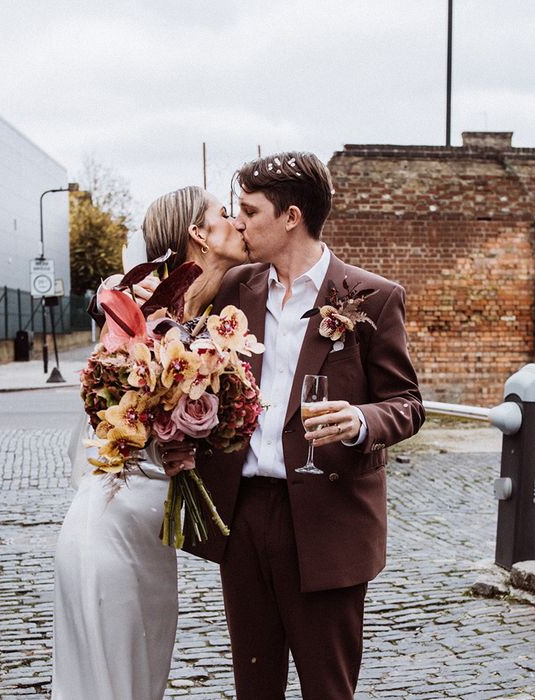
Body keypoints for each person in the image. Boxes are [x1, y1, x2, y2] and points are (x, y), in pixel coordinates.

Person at [162, 151, 425, 699]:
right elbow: (174, 331)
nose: (238, 223)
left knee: (327, 689)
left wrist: (359, 419)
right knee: (254, 686)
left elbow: (406, 403)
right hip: (244, 512)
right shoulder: (236, 288)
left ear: (291, 217)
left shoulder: (373, 297)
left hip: (328, 521)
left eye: (250, 212)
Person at [51, 186, 248, 700]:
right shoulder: (138, 311)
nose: (240, 223)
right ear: (198, 234)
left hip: (152, 539)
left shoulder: (211, 318)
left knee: (144, 684)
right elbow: (109, 405)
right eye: (226, 214)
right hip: (110, 527)